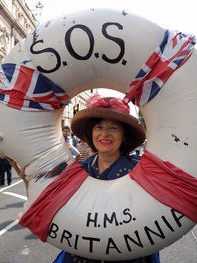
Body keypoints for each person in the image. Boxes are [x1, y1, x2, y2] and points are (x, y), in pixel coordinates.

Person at [53, 95, 160, 262]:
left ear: (124, 135)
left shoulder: (142, 172)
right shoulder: (78, 172)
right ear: (91, 133)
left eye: (113, 128)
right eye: (99, 127)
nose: (104, 133)